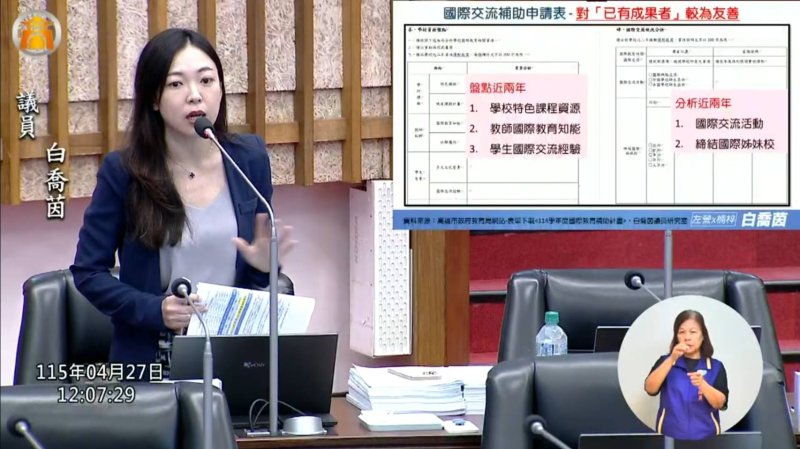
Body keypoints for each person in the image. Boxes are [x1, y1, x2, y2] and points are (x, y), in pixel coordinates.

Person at [70, 28, 294, 377]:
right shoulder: (124, 171)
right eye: (176, 84)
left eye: (206, 80)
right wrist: (155, 310)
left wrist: (264, 267)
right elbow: (88, 272)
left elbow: (253, 279)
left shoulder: (248, 159)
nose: (195, 95)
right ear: (154, 99)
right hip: (151, 362)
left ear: (221, 89)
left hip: (229, 355)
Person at [644, 309, 729, 440]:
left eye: (693, 332)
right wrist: (671, 359)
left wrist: (703, 385)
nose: (687, 337)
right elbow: (650, 389)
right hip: (669, 436)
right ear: (676, 337)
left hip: (707, 437)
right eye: (681, 332)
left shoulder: (716, 366)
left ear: (703, 336)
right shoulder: (665, 361)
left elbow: (720, 404)